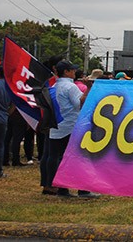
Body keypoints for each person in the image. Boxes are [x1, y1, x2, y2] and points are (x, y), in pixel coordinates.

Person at [44, 60, 98, 197]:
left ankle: (60, 188)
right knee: (79, 158)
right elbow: (79, 103)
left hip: (57, 125)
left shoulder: (55, 86)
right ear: (66, 72)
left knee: (56, 157)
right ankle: (82, 189)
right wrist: (89, 88)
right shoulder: (70, 87)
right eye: (72, 70)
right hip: (71, 125)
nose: (75, 72)